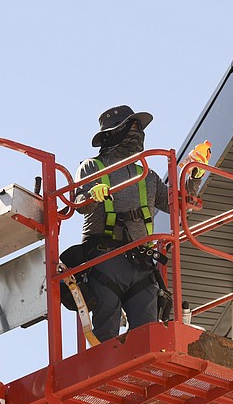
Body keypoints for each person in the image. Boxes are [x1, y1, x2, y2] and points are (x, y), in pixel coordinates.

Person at [65, 105, 208, 342]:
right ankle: (104, 372)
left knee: (147, 334)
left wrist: (194, 174)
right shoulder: (92, 167)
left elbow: (178, 204)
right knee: (107, 330)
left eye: (138, 127)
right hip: (105, 259)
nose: (137, 132)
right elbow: (80, 204)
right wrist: (92, 195)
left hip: (141, 262)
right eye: (131, 127)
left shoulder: (147, 176)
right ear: (113, 133)